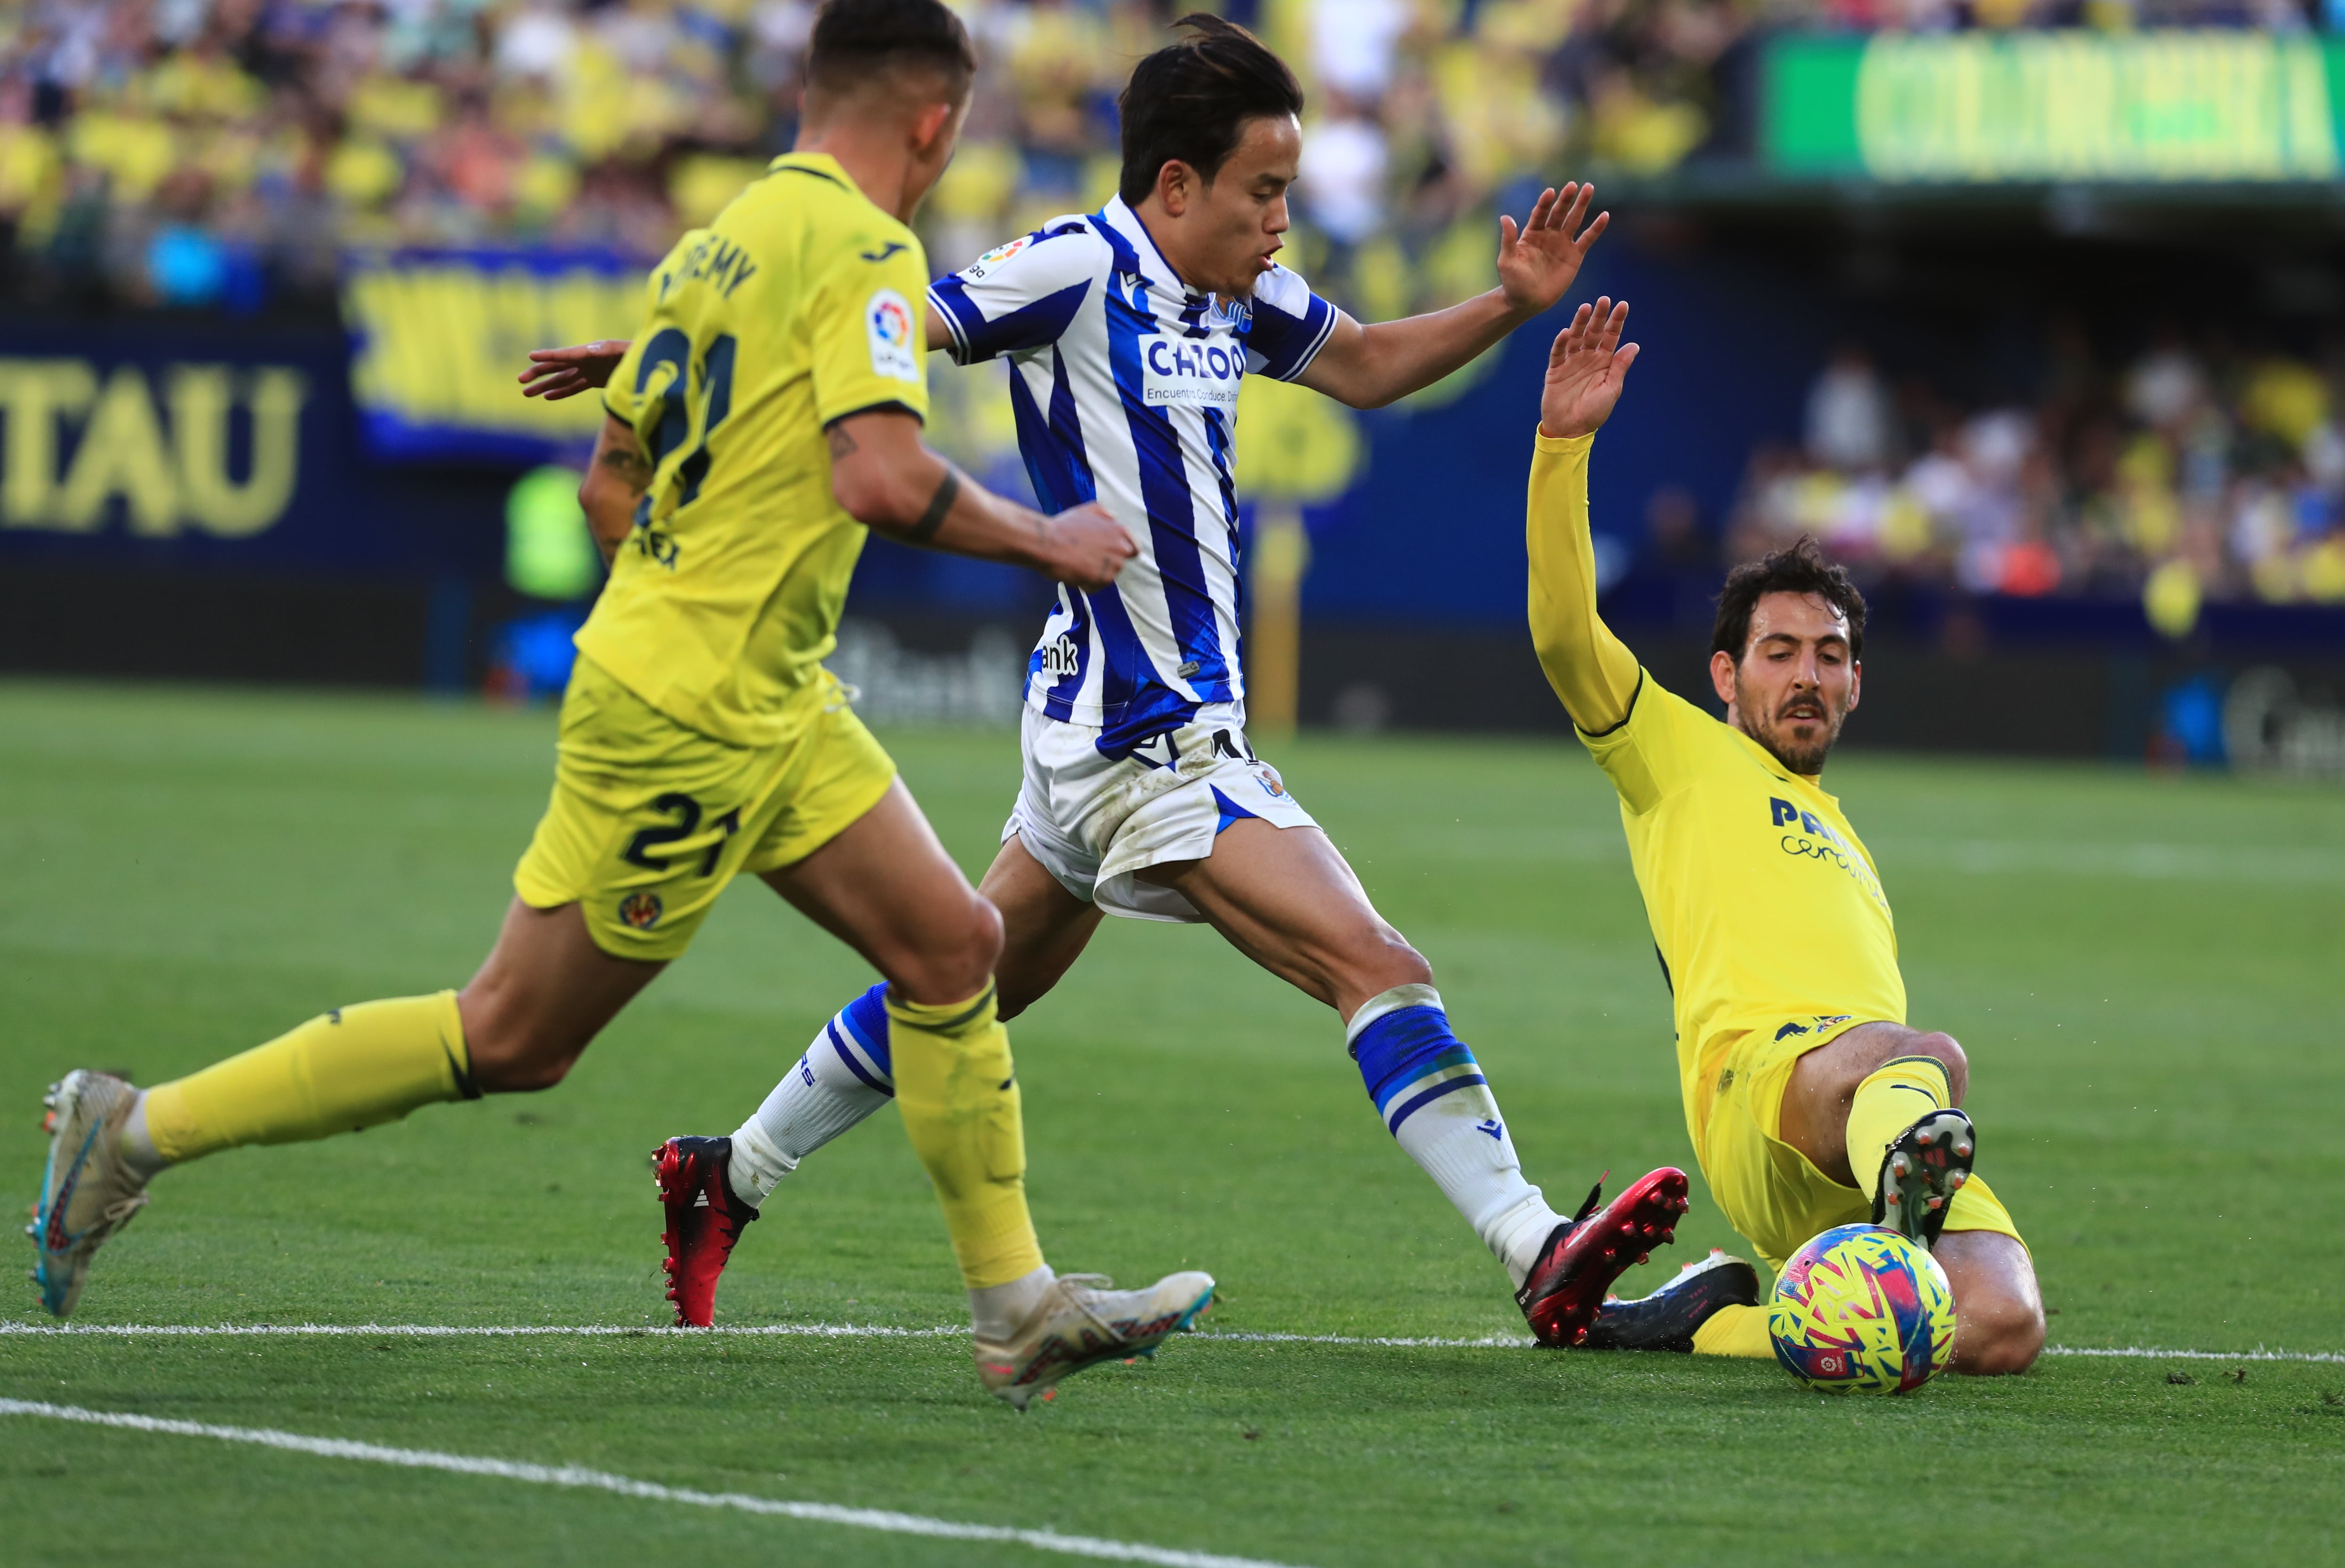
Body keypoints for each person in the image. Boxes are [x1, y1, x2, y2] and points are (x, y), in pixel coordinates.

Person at [32, 0, 1213, 1411]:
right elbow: (884, 481)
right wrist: (1050, 538)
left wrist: (686, 583)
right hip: (692, 716)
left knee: (953, 945)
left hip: (761, 694)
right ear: (932, 120)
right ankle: (131, 1127)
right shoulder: (862, 247)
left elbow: (610, 480)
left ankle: (1018, 1306)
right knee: (516, 1034)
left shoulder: (716, 243)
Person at [525, 14, 1689, 1345]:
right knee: (1375, 962)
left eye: (1290, 194)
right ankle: (1538, 1247)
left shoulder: (1240, 290)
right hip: (1149, 732)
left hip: (1088, 715)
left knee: (966, 975)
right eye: (1263, 192)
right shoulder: (1078, 264)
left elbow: (1365, 366)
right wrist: (667, 357)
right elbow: (900, 337)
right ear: (1177, 184)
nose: (1281, 221)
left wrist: (1510, 306)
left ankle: (725, 1173)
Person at [1517, 297, 2047, 1369]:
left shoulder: (1844, 834)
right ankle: (1904, 1176)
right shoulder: (1675, 753)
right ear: (1725, 674)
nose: (1807, 672)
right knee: (1927, 1056)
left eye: (1830, 653)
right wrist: (1562, 444)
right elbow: (1566, 631)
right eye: (1779, 650)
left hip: (1855, 1109)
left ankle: (1704, 1319)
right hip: (1760, 1087)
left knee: (1998, 1324)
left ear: (1856, 682)